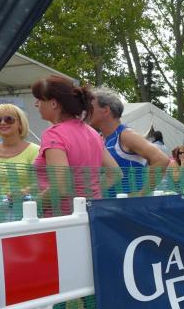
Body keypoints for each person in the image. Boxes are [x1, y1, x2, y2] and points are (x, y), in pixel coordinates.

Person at [31, 75, 121, 216]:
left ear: (53, 103)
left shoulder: (53, 134)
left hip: (61, 220)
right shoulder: (92, 132)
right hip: (92, 215)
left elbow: (61, 187)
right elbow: (115, 173)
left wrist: (31, 206)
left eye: (39, 99)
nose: (36, 104)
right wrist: (88, 194)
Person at [89, 87, 169, 195]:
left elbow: (161, 160)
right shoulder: (101, 139)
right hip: (108, 203)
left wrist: (142, 194)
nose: (86, 111)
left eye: (90, 107)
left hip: (130, 204)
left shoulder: (126, 135)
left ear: (106, 110)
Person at [0, 104, 40, 222]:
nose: (2, 123)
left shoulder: (35, 151)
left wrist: (24, 192)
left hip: (26, 217)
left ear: (20, 123)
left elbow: (42, 184)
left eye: (9, 119)